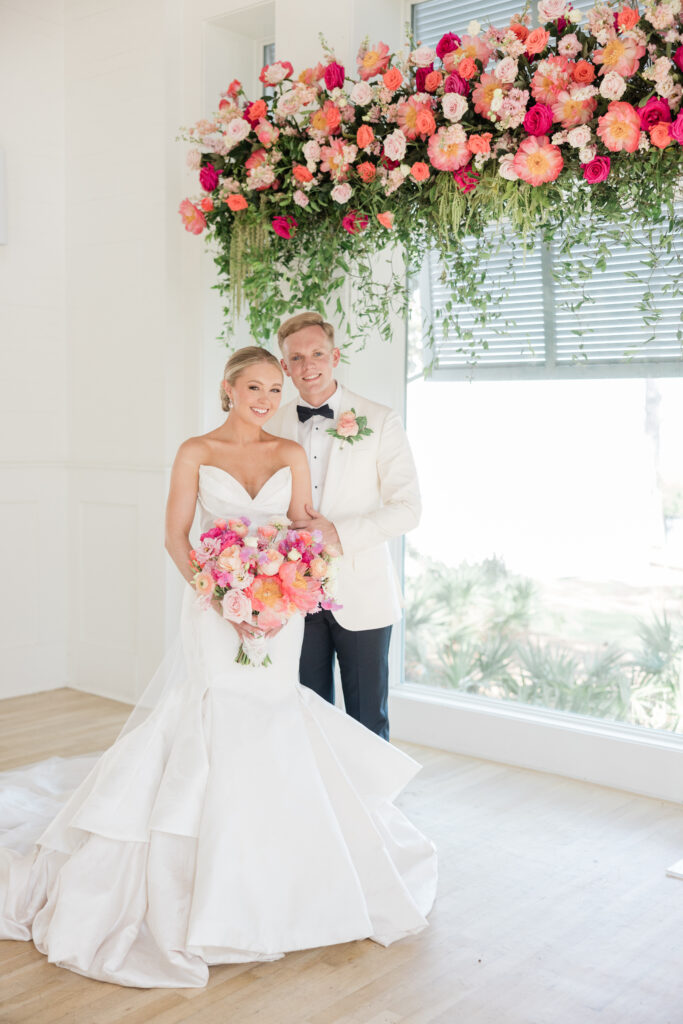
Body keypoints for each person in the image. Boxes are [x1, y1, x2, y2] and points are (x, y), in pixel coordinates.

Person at [0, 346, 437, 989]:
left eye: (273, 388)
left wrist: (292, 588)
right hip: (213, 608)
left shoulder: (289, 454)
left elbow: (301, 532)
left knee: (275, 713)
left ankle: (280, 872)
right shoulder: (195, 452)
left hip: (279, 615)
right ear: (228, 388)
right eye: (254, 386)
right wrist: (223, 597)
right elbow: (175, 537)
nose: (265, 398)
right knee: (213, 712)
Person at [266, 312, 421, 740]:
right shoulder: (272, 425)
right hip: (294, 594)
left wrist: (339, 534)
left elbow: (408, 508)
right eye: (295, 358)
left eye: (317, 354)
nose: (307, 365)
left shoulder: (380, 419)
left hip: (363, 592)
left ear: (334, 356)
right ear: (284, 366)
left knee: (368, 720)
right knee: (304, 714)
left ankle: (371, 807)